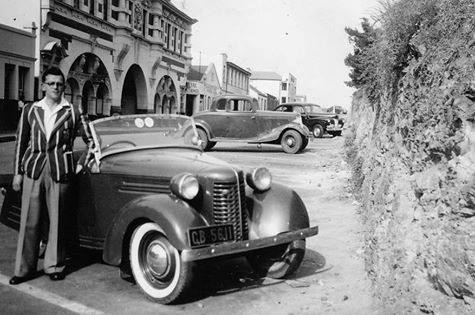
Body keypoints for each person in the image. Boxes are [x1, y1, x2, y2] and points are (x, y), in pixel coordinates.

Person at [9, 66, 91, 285]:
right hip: (34, 169)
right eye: (52, 83)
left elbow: (91, 140)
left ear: (64, 86)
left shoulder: (72, 111)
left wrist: (80, 164)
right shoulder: (30, 110)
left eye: (60, 84)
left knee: (58, 220)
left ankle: (54, 265)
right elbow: (21, 143)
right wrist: (17, 173)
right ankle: (23, 269)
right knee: (29, 220)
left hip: (59, 170)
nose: (56, 87)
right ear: (43, 86)